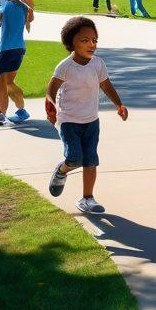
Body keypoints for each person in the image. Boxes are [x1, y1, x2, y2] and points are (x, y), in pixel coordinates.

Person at [45, 16, 129, 213]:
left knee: (90, 159)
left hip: (91, 120)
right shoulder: (65, 66)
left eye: (94, 40)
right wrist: (50, 107)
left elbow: (106, 85)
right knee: (75, 158)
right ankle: (61, 170)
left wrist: (119, 104)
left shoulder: (98, 64)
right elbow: (51, 90)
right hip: (68, 120)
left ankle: (87, 199)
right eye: (85, 40)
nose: (91, 44)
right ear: (71, 42)